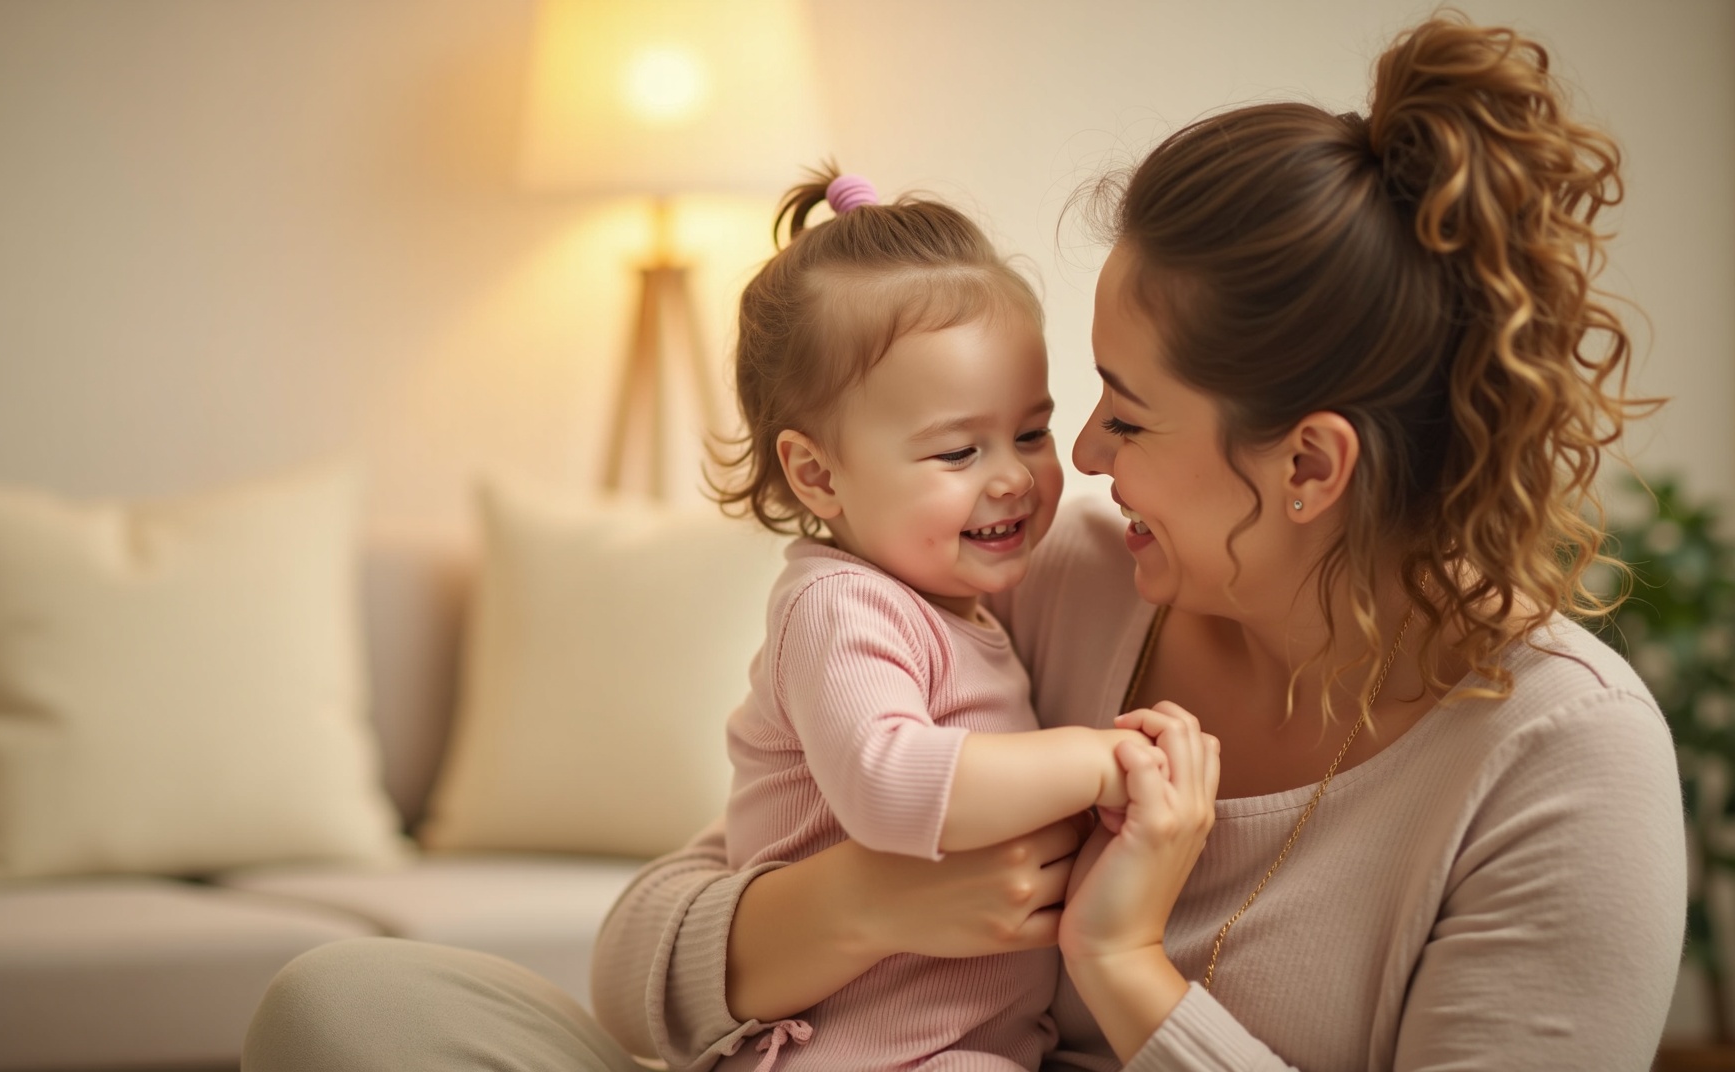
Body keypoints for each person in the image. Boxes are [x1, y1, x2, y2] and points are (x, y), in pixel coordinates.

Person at [239, 14, 1686, 1071]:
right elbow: (641, 966)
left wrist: (1121, 972)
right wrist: (868, 900)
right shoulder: (1043, 583)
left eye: (1118, 414)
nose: (1080, 468)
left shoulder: (1558, 761)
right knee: (356, 1006)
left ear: (1308, 464)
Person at [707, 170, 1161, 1071]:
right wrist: (1099, 757)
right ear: (818, 476)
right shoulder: (839, 606)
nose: (1013, 477)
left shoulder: (966, 603)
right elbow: (891, 783)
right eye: (958, 450)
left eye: (1030, 433)